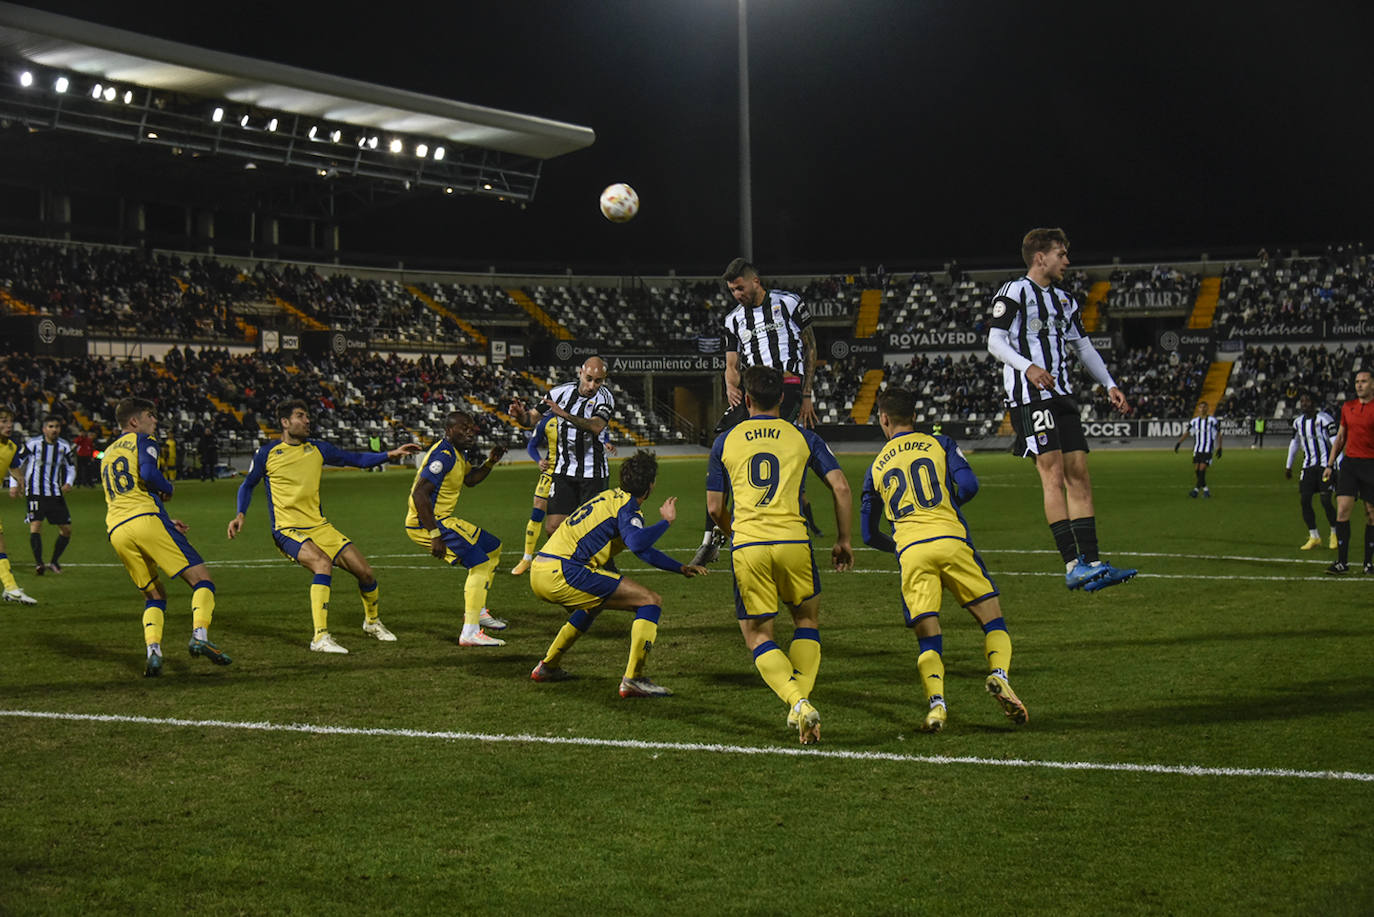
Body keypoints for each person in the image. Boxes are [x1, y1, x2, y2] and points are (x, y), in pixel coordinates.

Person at [860, 387, 1027, 732]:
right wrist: (941, 510)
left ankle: (937, 707)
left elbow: (868, 534)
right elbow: (969, 486)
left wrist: (902, 546)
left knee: (928, 639)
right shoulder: (941, 444)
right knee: (993, 622)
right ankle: (998, 675)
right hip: (951, 539)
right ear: (915, 418)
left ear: (885, 419)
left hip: (912, 552)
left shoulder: (875, 466)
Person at [706, 365, 853, 745]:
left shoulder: (725, 441)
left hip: (749, 544)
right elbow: (840, 487)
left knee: (757, 635)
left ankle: (798, 703)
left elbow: (713, 507)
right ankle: (801, 701)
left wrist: (733, 531)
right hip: (794, 542)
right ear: (783, 399)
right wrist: (843, 539)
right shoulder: (803, 437)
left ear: (748, 400)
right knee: (805, 622)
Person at [985, 228, 1137, 592]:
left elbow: (1083, 348)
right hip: (1030, 396)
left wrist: (1109, 383)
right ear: (1041, 257)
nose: (1067, 261)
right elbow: (994, 341)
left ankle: (1094, 564)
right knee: (1052, 475)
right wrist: (1029, 368)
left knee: (1079, 474)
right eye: (1061, 254)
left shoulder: (1065, 301)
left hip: (1063, 395)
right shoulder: (1013, 293)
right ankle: (1072, 565)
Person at [227, 399, 420, 652]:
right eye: (300, 415)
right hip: (287, 530)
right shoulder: (267, 453)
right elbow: (247, 484)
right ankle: (320, 637)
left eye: (306, 415)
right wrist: (240, 514)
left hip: (319, 527)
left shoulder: (318, 448)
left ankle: (372, 623)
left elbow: (355, 459)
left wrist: (389, 454)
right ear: (285, 423)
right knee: (322, 564)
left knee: (366, 573)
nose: (307, 420)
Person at [529, 449, 706, 697]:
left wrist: (679, 567)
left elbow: (643, 551)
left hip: (541, 569)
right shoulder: (628, 508)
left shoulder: (609, 497)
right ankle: (634, 678)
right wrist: (665, 522)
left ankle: (547, 666)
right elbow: (636, 543)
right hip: (566, 572)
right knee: (650, 601)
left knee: (593, 605)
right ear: (650, 486)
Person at [692, 258, 822, 567]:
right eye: (731, 290)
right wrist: (730, 388)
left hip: (787, 384)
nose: (736, 294)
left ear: (755, 282)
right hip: (753, 390)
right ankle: (711, 538)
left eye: (739, 288)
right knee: (723, 443)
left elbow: (811, 347)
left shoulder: (789, 303)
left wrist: (806, 394)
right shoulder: (733, 319)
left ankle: (787, 525)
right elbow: (731, 365)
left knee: (769, 447)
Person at [102, 398, 232, 677]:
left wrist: (165, 519)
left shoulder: (109, 453)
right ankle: (200, 635)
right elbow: (149, 473)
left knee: (154, 596)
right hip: (144, 520)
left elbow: (128, 493)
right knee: (202, 580)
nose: (155, 421)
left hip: (117, 530)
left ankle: (153, 653)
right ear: (134, 422)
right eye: (151, 415)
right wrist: (168, 487)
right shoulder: (143, 439)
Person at [405, 410, 509, 646]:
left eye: (471, 428)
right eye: (464, 428)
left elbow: (470, 480)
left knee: (493, 549)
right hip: (428, 522)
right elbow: (420, 494)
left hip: (442, 519)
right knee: (480, 563)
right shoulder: (444, 456)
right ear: (449, 430)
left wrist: (490, 462)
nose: (470, 432)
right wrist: (434, 534)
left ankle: (479, 610)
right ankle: (470, 631)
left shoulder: (457, 454)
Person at [508, 356, 615, 537]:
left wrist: (564, 414)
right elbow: (530, 419)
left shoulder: (605, 398)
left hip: (593, 474)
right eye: (588, 379)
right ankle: (563, 564)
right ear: (580, 373)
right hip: (563, 471)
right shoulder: (560, 393)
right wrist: (520, 415)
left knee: (592, 530)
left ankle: (596, 565)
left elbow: (596, 426)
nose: (592, 386)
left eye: (598, 381)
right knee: (553, 528)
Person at [511, 414, 616, 576]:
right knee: (538, 511)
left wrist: (606, 442)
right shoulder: (546, 422)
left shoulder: (581, 417)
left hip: (576, 475)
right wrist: (539, 460)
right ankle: (527, 558)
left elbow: (600, 431)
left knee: (586, 517)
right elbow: (532, 445)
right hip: (551, 472)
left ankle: (580, 558)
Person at [1322, 369, 1374, 575]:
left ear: (1372, 385)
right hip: (1350, 465)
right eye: (1357, 382)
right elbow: (1341, 437)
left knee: (1371, 514)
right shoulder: (1347, 407)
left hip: (1371, 465)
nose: (1359, 385)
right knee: (1343, 511)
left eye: (1364, 381)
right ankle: (1341, 562)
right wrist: (1330, 463)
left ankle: (1368, 563)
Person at [17, 414, 76, 576]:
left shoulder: (64, 446)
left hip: (55, 493)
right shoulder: (33, 443)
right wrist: (15, 483)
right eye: (50, 426)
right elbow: (18, 461)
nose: (54, 429)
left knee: (66, 530)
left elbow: (71, 467)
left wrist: (69, 482)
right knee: (35, 525)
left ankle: (54, 561)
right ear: (44, 429)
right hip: (35, 492)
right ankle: (39, 563)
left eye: (56, 426)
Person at [1285, 393, 1339, 551]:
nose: (1304, 403)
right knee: (1305, 501)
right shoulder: (1298, 422)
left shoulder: (1325, 419)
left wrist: (1339, 466)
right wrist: (1288, 466)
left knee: (1325, 501)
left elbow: (1336, 442)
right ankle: (1314, 536)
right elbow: (1294, 444)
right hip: (1308, 467)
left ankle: (1334, 533)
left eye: (1307, 400)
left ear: (1314, 403)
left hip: (1325, 466)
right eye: (1302, 401)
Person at [0, 409, 37, 604]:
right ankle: (11, 588)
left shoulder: (11, 447)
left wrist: (20, 479)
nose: (8, 425)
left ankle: (10, 588)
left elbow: (13, 466)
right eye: (3, 421)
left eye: (10, 422)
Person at [1174, 401, 1223, 498]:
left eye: (1205, 407)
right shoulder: (1194, 421)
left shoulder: (1212, 420)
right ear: (1198, 409)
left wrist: (1220, 447)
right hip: (1197, 449)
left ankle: (1196, 491)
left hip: (1208, 448)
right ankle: (1206, 490)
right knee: (1197, 470)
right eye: (1201, 407)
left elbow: (1219, 434)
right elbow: (1187, 432)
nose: (1203, 409)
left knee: (1202, 469)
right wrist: (1179, 443)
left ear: (1207, 408)